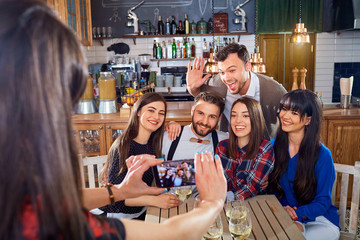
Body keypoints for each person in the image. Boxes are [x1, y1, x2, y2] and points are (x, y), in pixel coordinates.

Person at [0, 1, 227, 239]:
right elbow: (172, 234)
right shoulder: (37, 220)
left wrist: (117, 191)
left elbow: (62, 199)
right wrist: (212, 201)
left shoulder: (28, 194)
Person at [268, 90, 340, 240]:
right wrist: (282, 210)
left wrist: (297, 214)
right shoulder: (272, 147)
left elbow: (323, 201)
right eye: (284, 109)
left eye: (294, 113)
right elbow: (270, 188)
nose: (285, 116)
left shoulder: (323, 155)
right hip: (285, 216)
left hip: (320, 220)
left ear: (308, 120)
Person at [97, 92, 180, 220]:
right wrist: (155, 201)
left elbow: (165, 176)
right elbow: (116, 197)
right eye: (151, 110)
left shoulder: (154, 143)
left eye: (161, 113)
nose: (156, 117)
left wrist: (194, 174)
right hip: (117, 217)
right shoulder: (124, 146)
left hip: (141, 212)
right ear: (138, 112)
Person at [186, 43, 287, 139]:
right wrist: (192, 88)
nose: (226, 78)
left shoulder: (274, 91)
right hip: (231, 146)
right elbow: (202, 96)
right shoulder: (218, 83)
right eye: (222, 72)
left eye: (232, 70)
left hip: (264, 148)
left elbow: (292, 120)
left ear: (247, 66)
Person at [216, 97, 275, 200]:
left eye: (245, 116)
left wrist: (223, 199)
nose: (238, 120)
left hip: (253, 207)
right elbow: (216, 181)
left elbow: (251, 187)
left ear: (255, 119)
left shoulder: (264, 148)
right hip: (221, 206)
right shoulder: (222, 146)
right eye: (234, 115)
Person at [162, 91, 228, 161]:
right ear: (192, 111)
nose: (205, 122)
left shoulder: (225, 141)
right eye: (201, 113)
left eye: (212, 116)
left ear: (219, 118)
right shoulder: (168, 137)